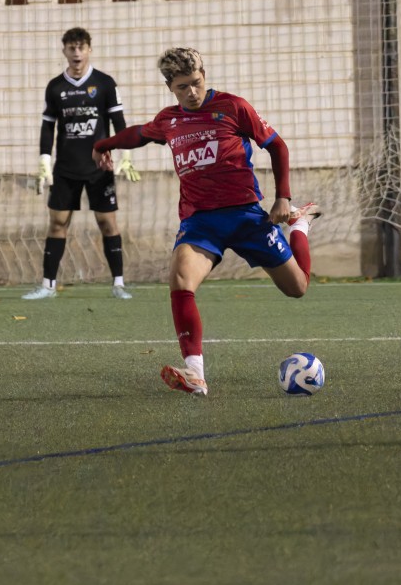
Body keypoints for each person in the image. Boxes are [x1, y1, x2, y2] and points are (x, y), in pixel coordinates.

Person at [92, 47, 319, 396]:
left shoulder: (233, 107)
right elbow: (139, 134)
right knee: (180, 279)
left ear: (204, 75)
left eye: (197, 83)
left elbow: (278, 147)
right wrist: (105, 143)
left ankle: (300, 227)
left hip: (244, 214)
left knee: (297, 288)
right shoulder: (169, 120)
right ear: (171, 87)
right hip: (200, 222)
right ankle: (195, 373)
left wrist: (283, 198)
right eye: (183, 87)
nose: (192, 92)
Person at [24, 27, 140, 301]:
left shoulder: (105, 83)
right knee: (57, 223)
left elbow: (118, 122)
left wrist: (125, 154)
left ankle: (119, 284)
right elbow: (47, 128)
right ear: (64, 51)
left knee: (107, 223)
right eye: (71, 48)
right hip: (65, 169)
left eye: (81, 47)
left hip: (99, 168)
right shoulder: (56, 87)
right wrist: (44, 162)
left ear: (89, 50)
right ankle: (48, 286)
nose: (76, 53)